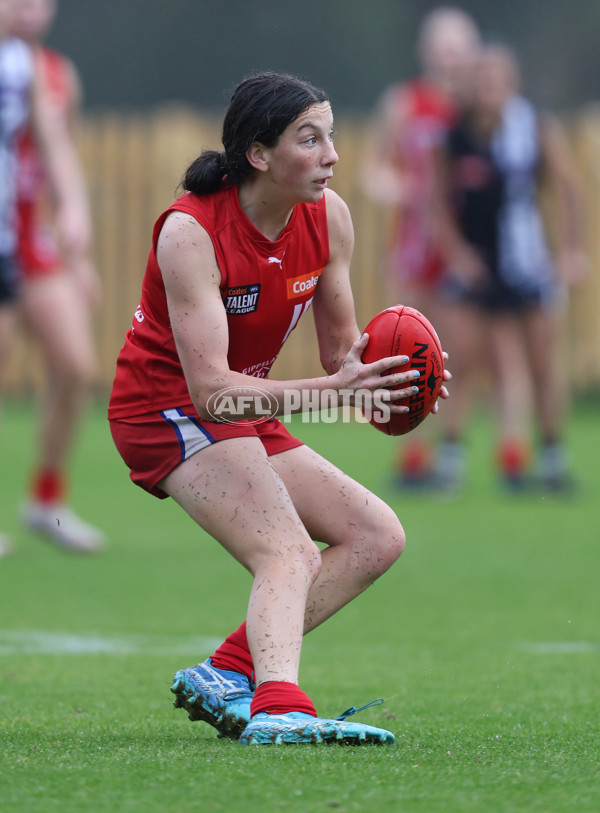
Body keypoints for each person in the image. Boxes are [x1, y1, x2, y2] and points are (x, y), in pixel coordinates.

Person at [108, 72, 450, 745]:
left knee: (378, 535)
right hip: (165, 407)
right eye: (310, 138)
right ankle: (278, 706)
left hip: (241, 405)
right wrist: (337, 392)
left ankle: (227, 671)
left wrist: (399, 375)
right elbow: (210, 391)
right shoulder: (190, 232)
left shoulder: (330, 219)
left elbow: (340, 355)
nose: (332, 155)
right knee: (287, 550)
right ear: (259, 154)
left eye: (331, 137)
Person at [437, 44, 586, 491]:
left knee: (542, 363)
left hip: (525, 261)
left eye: (498, 80)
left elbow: (569, 191)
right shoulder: (454, 135)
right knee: (459, 360)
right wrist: (457, 254)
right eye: (483, 79)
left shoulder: (535, 129)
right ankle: (450, 463)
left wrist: (570, 252)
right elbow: (437, 206)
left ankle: (554, 461)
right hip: (477, 264)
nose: (490, 88)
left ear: (512, 84)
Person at [361, 7, 480, 489]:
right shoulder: (403, 103)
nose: (449, 57)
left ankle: (451, 451)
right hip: (413, 245)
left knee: (459, 350)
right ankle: (411, 454)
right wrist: (406, 191)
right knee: (405, 350)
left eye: (458, 47)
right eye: (441, 46)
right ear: (426, 50)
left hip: (462, 244)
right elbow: (374, 169)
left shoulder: (476, 109)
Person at [11, 0, 104, 552]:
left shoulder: (56, 74)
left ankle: (46, 501)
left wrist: (79, 255)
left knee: (75, 366)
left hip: (33, 243)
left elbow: (63, 156)